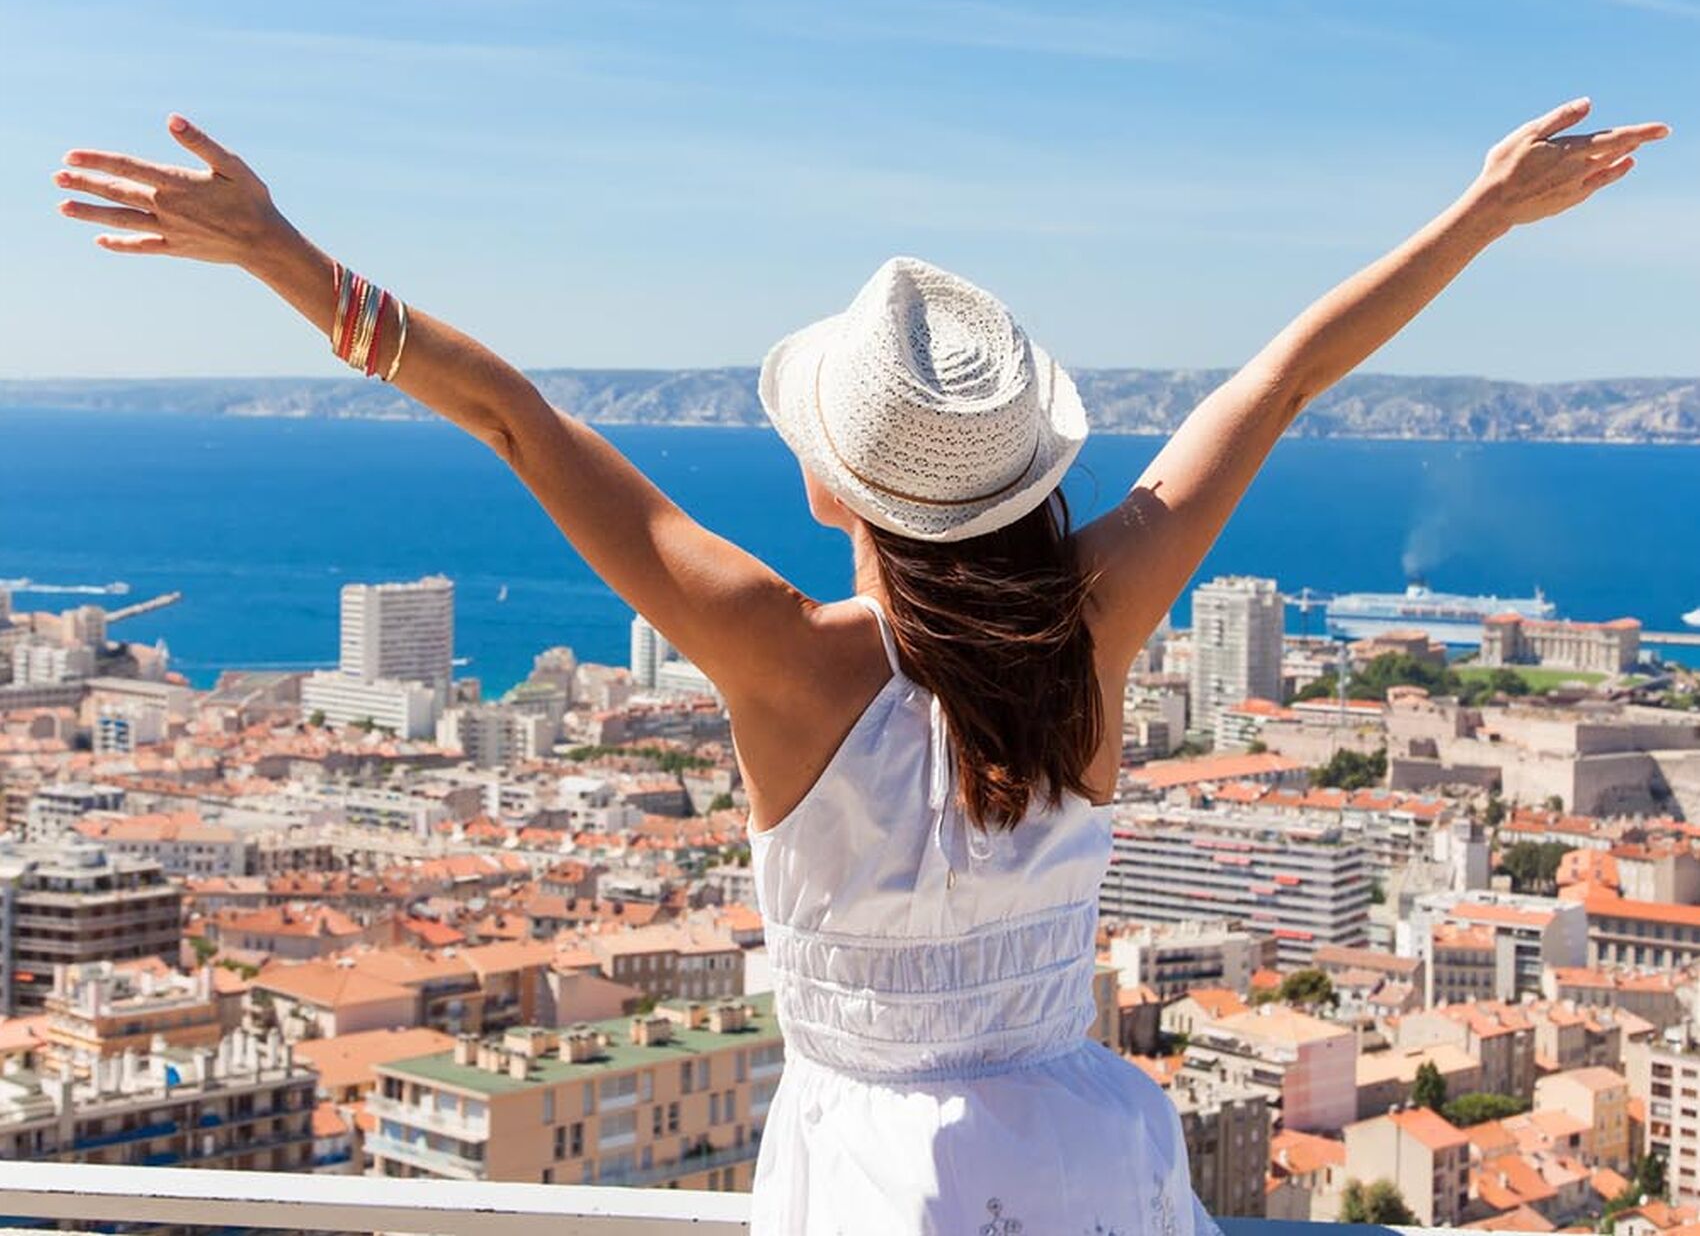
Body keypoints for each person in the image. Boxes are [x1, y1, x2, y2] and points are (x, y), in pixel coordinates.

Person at [53, 98, 1667, 1233]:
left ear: (834, 485)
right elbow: (1285, 380)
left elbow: (512, 420)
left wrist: (280, 252)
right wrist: (1484, 211)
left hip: (882, 1189)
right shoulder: (1094, 625)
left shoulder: (783, 660)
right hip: (1091, 1168)